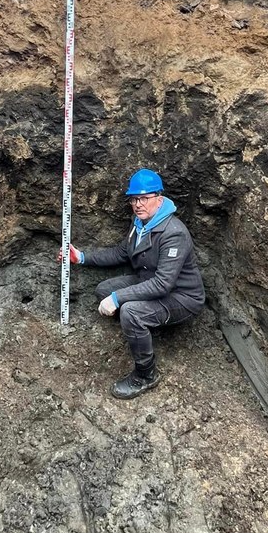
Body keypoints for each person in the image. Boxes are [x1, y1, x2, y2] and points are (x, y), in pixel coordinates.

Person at [59, 169, 205, 400]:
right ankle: (141, 329)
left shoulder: (173, 233)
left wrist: (118, 299)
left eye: (144, 198)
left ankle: (146, 375)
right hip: (149, 281)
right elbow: (121, 253)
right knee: (103, 290)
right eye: (134, 199)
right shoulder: (139, 223)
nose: (138, 204)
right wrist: (82, 257)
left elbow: (163, 284)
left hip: (181, 297)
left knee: (130, 311)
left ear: (159, 197)